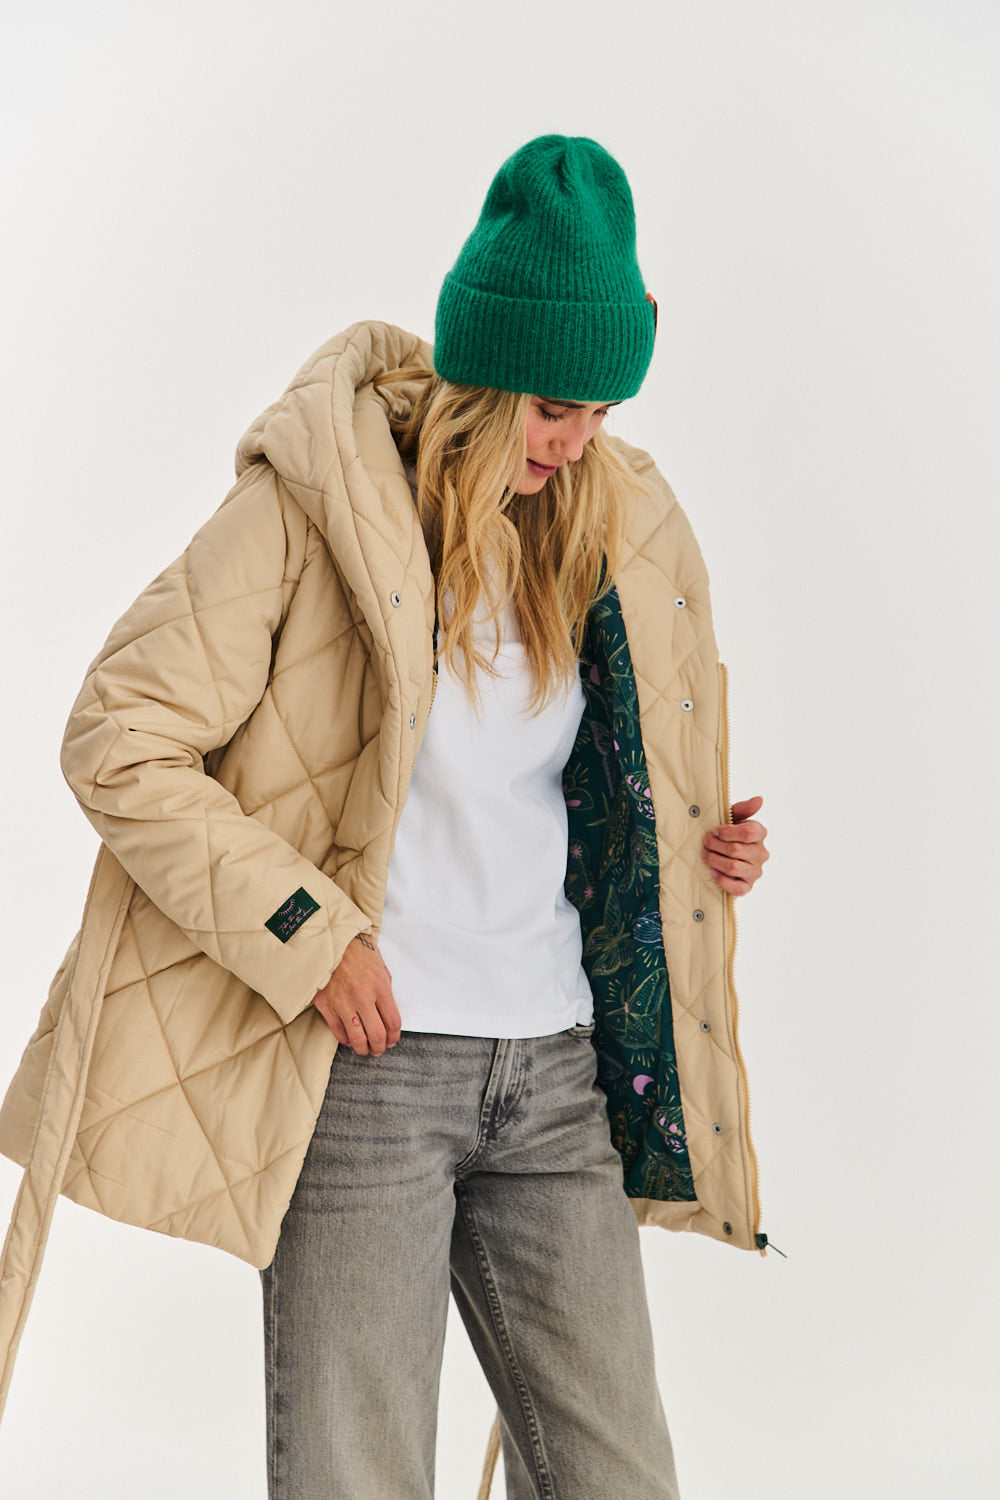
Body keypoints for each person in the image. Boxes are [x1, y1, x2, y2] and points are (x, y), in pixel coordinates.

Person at [0, 134, 771, 1498]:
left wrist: (697, 847)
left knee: (622, 1477)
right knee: (356, 1479)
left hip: (560, 1073)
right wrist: (309, 935)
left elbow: (591, 785)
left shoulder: (612, 519)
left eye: (600, 410)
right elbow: (119, 735)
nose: (578, 439)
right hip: (371, 1073)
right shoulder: (315, 509)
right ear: (484, 377)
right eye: (553, 408)